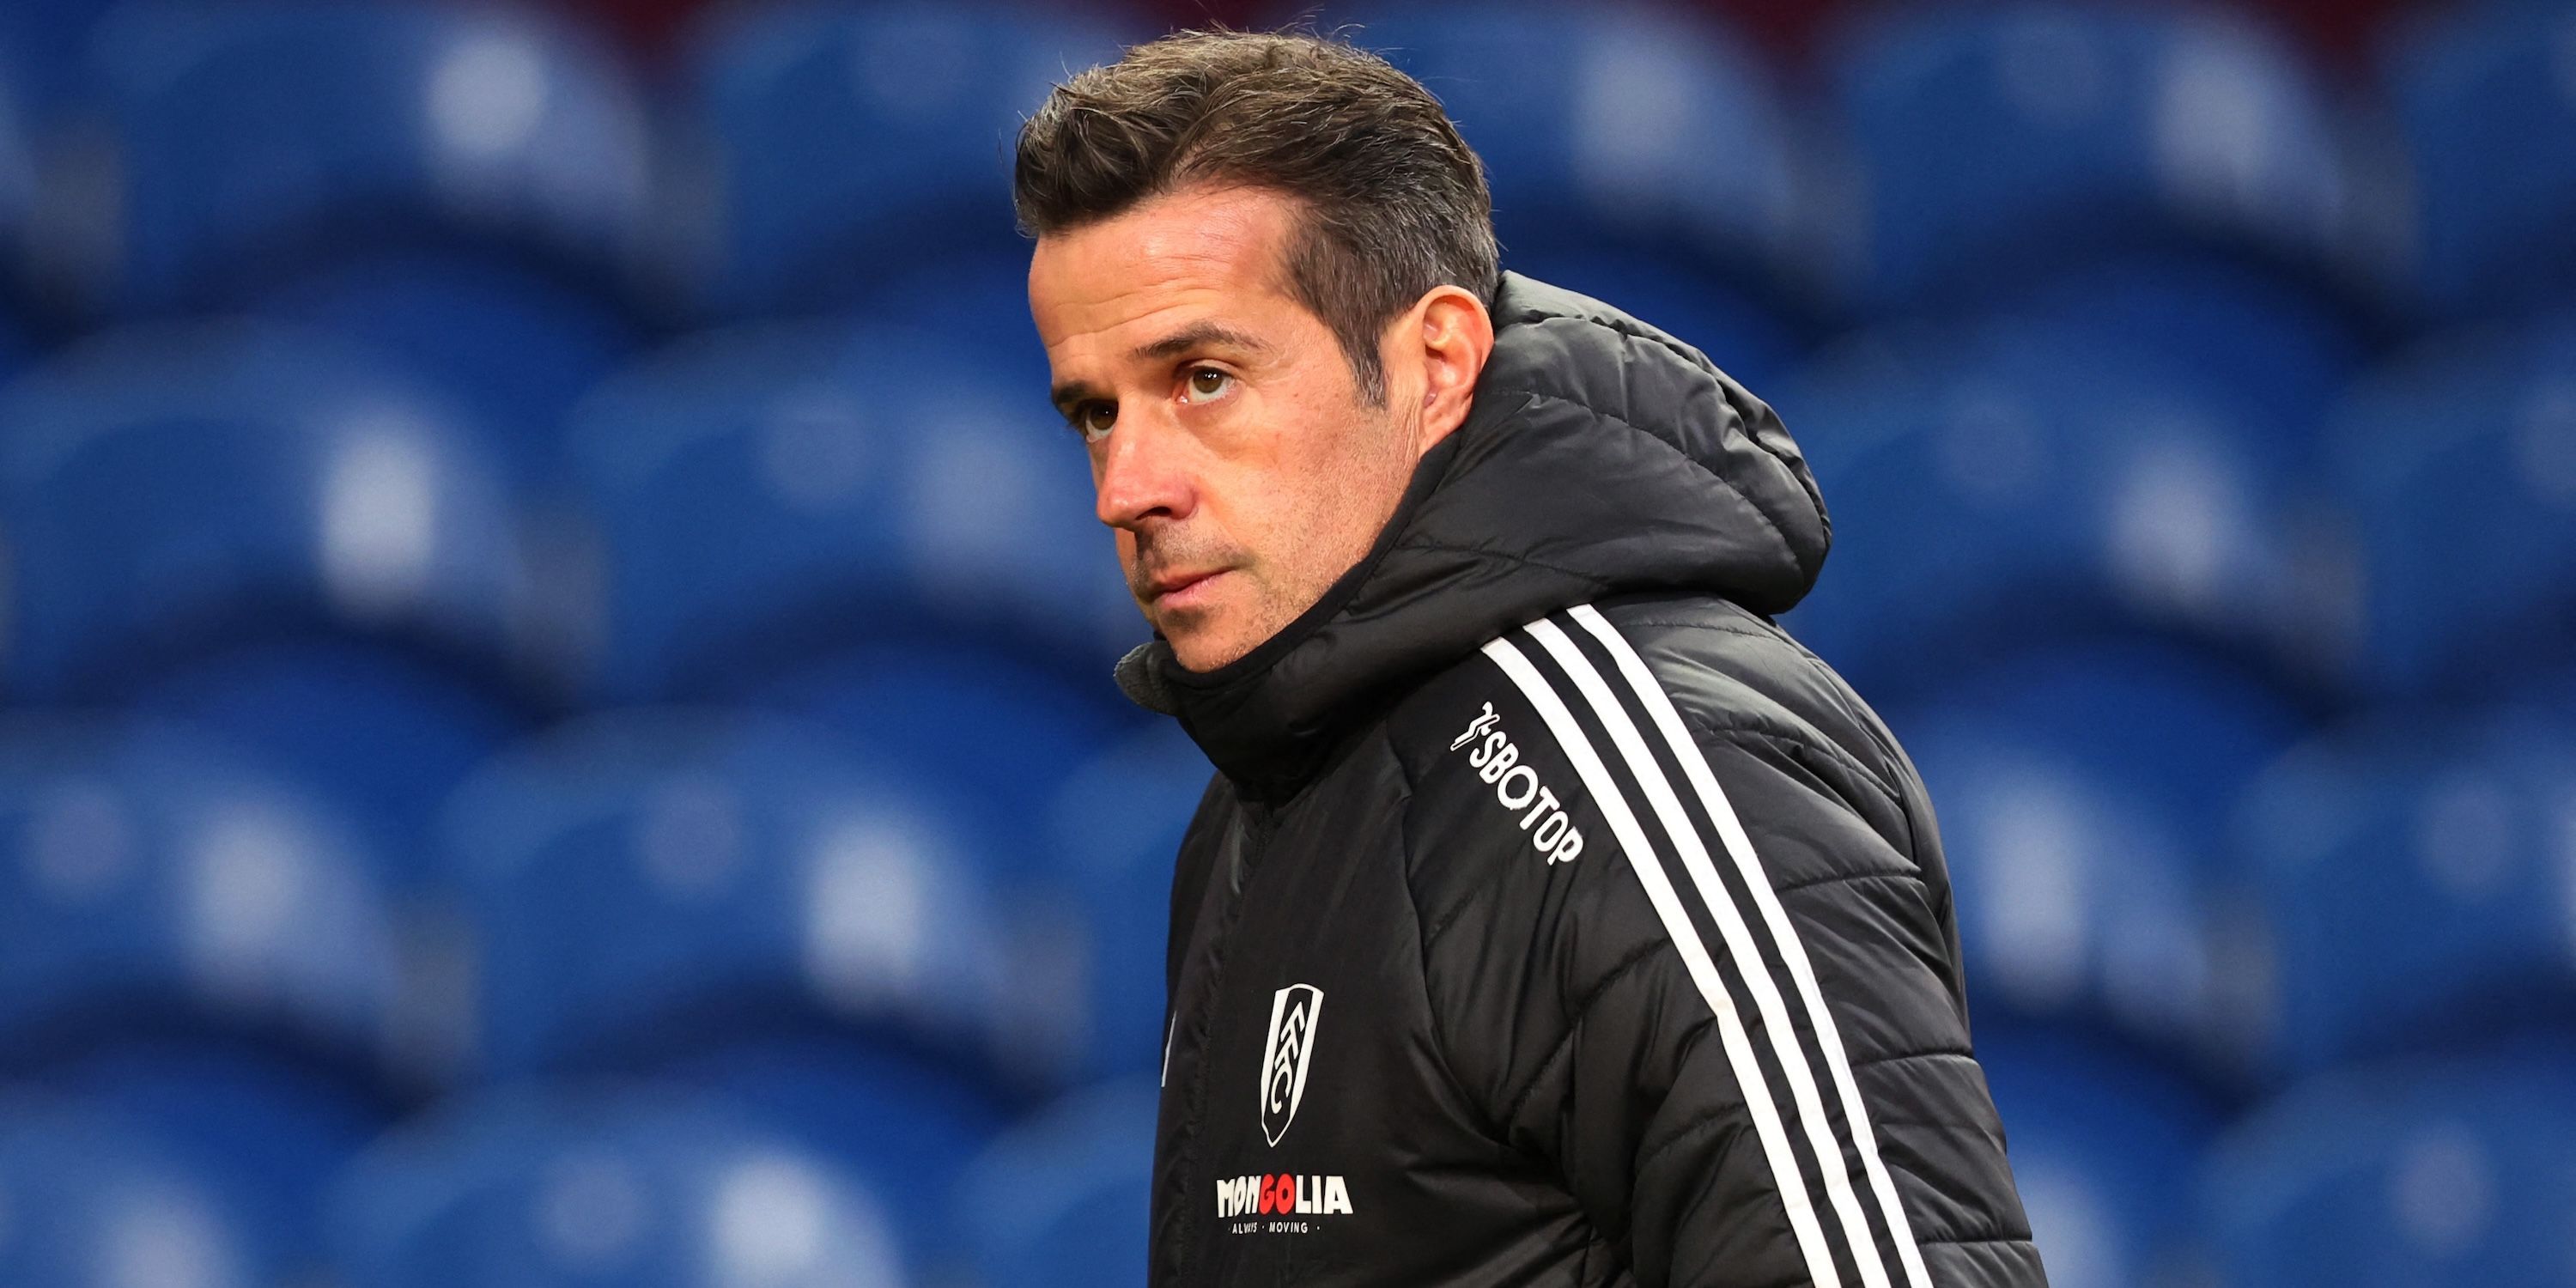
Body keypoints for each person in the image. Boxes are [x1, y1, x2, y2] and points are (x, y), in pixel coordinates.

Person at [1017, 28, 2048, 1288]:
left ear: (1436, 363)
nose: (1128, 485)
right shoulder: (1273, 780)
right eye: (1096, 412)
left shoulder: (1661, 768)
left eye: (1205, 377)